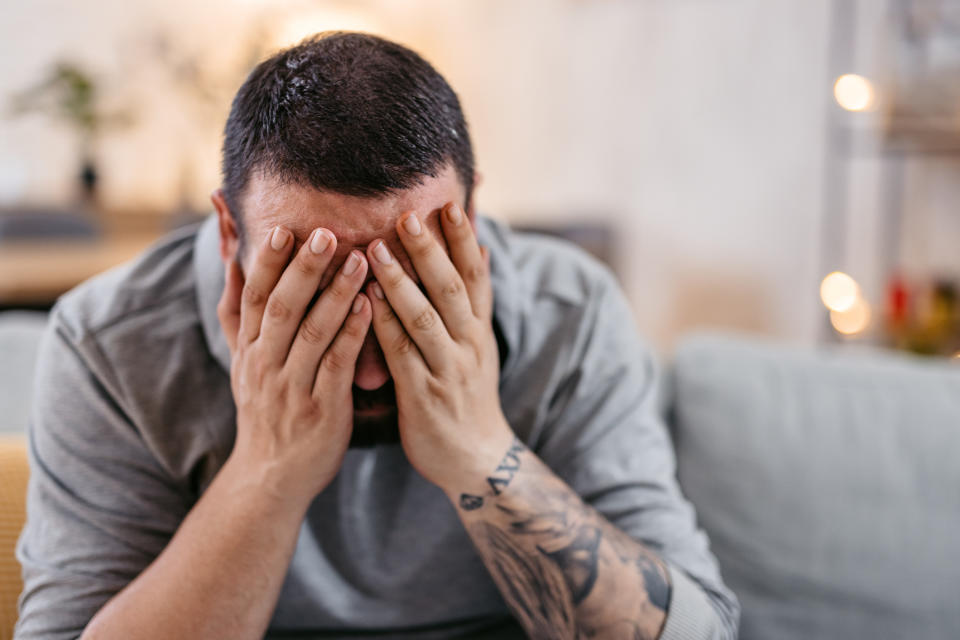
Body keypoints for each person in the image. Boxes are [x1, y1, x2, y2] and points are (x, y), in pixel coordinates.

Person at [15, 32, 738, 640]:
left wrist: (481, 451)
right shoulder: (107, 342)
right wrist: (269, 470)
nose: (365, 375)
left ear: (473, 216)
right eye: (314, 290)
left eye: (408, 283)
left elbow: (701, 629)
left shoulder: (570, 311)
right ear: (230, 232)